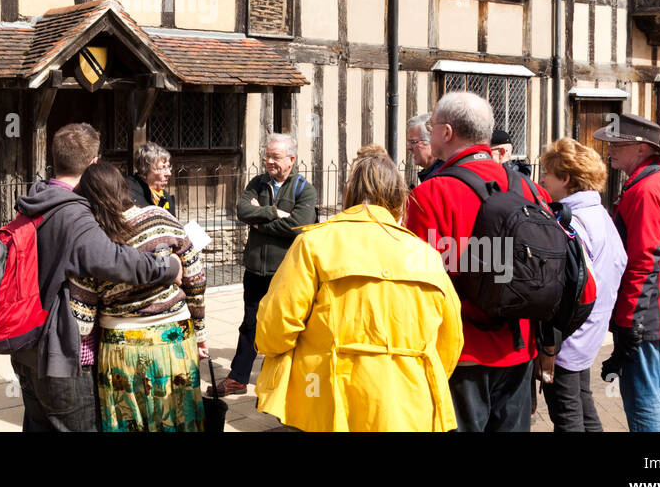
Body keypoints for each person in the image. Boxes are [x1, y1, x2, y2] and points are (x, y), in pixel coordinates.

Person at [254, 145, 464, 431]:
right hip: (406, 403)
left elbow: (276, 325)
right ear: (399, 197)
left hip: (324, 394)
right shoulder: (425, 255)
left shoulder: (315, 243)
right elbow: (450, 341)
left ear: (349, 193)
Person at [10, 123, 182, 432]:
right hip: (60, 355)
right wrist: (168, 267)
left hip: (25, 349)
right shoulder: (74, 214)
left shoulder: (34, 202)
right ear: (93, 164)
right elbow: (116, 261)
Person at [405, 92, 549, 432]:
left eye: (432, 126)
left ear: (447, 133)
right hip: (520, 345)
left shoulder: (430, 194)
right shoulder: (529, 189)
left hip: (463, 350)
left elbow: (419, 282)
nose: (430, 133)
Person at [68, 163, 206, 431]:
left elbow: (81, 322)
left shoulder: (92, 240)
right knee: (178, 418)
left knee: (130, 422)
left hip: (121, 350)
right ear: (124, 188)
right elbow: (196, 278)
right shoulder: (160, 217)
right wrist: (200, 334)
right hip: (174, 341)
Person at [594, 113, 660, 432]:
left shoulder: (646, 190)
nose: (609, 148)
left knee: (642, 396)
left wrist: (628, 322)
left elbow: (643, 261)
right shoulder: (659, 183)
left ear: (641, 149)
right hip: (659, 308)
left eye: (617, 143)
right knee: (659, 389)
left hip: (646, 312)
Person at [212, 133, 317, 397]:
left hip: (286, 272)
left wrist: (259, 223)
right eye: (267, 156)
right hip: (255, 269)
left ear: (291, 160)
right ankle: (238, 378)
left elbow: (299, 225)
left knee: (287, 327)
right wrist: (271, 212)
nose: (269, 161)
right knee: (249, 323)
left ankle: (286, 385)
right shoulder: (258, 183)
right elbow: (242, 210)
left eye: (275, 157)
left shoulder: (304, 188)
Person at [535, 137, 627, 431]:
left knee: (567, 416)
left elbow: (563, 284)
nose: (542, 179)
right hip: (587, 333)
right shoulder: (598, 214)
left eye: (548, 173)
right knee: (583, 408)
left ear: (565, 178)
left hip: (567, 338)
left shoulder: (572, 222)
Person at [125, 140, 176, 214]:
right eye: (162, 168)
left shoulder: (166, 198)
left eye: (168, 167)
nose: (169, 173)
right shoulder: (129, 193)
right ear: (144, 171)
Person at [407, 113, 441, 184]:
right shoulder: (433, 174)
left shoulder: (439, 179)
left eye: (413, 142)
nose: (408, 147)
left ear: (432, 141)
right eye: (408, 142)